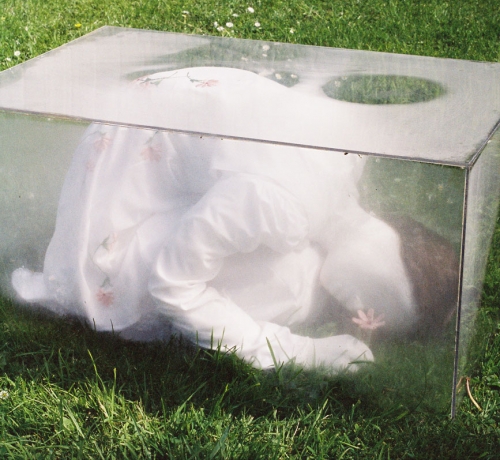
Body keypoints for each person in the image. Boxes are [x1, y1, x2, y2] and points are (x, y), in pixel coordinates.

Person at [11, 67, 457, 372]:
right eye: (378, 297)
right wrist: (296, 350)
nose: (361, 310)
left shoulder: (346, 168)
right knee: (138, 283)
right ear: (398, 241)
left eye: (373, 314)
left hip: (162, 112)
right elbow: (172, 285)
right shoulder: (283, 208)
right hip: (122, 156)